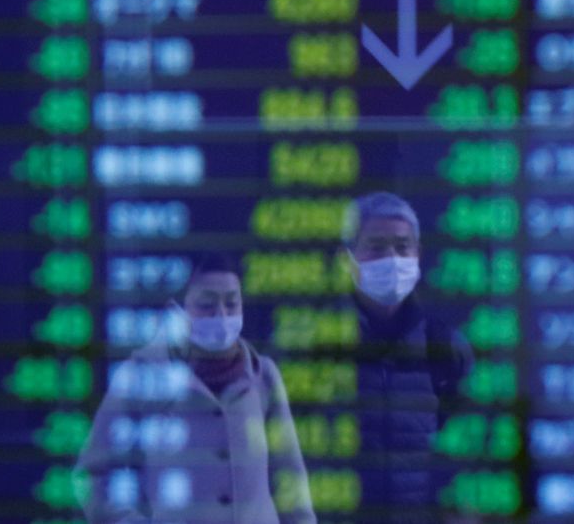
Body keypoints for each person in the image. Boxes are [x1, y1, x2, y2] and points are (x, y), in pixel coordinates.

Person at [76, 253, 316, 524]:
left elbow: (290, 480)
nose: (221, 315)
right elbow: (95, 474)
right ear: (177, 308)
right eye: (207, 305)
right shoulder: (142, 375)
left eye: (231, 303)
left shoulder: (264, 376)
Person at [341, 192, 474, 524]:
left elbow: (467, 452)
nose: (391, 258)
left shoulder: (445, 346)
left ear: (418, 255)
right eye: (376, 246)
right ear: (349, 259)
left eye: (402, 247)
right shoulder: (317, 345)